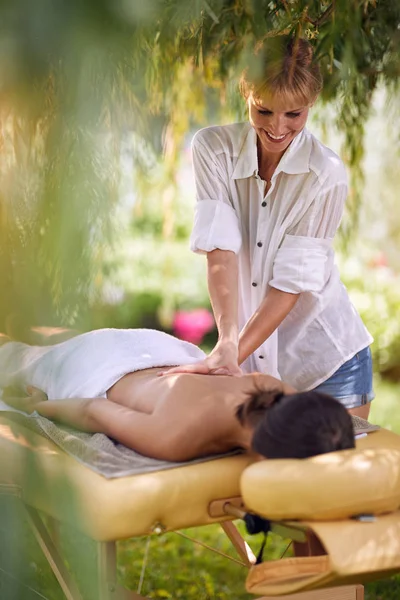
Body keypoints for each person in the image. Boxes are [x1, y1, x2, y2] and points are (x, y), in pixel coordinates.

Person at [163, 35, 373, 420]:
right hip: (252, 358)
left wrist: (231, 355)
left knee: (331, 478)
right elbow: (220, 250)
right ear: (247, 93)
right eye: (264, 111)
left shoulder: (325, 174)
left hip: (328, 363)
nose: (277, 128)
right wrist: (228, 342)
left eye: (293, 115)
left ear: (310, 105)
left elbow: (289, 283)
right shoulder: (214, 149)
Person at [0, 328, 354, 462]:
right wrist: (39, 408)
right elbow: (94, 409)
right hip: (97, 366)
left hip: (159, 348)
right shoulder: (176, 438)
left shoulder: (278, 391)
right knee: (18, 362)